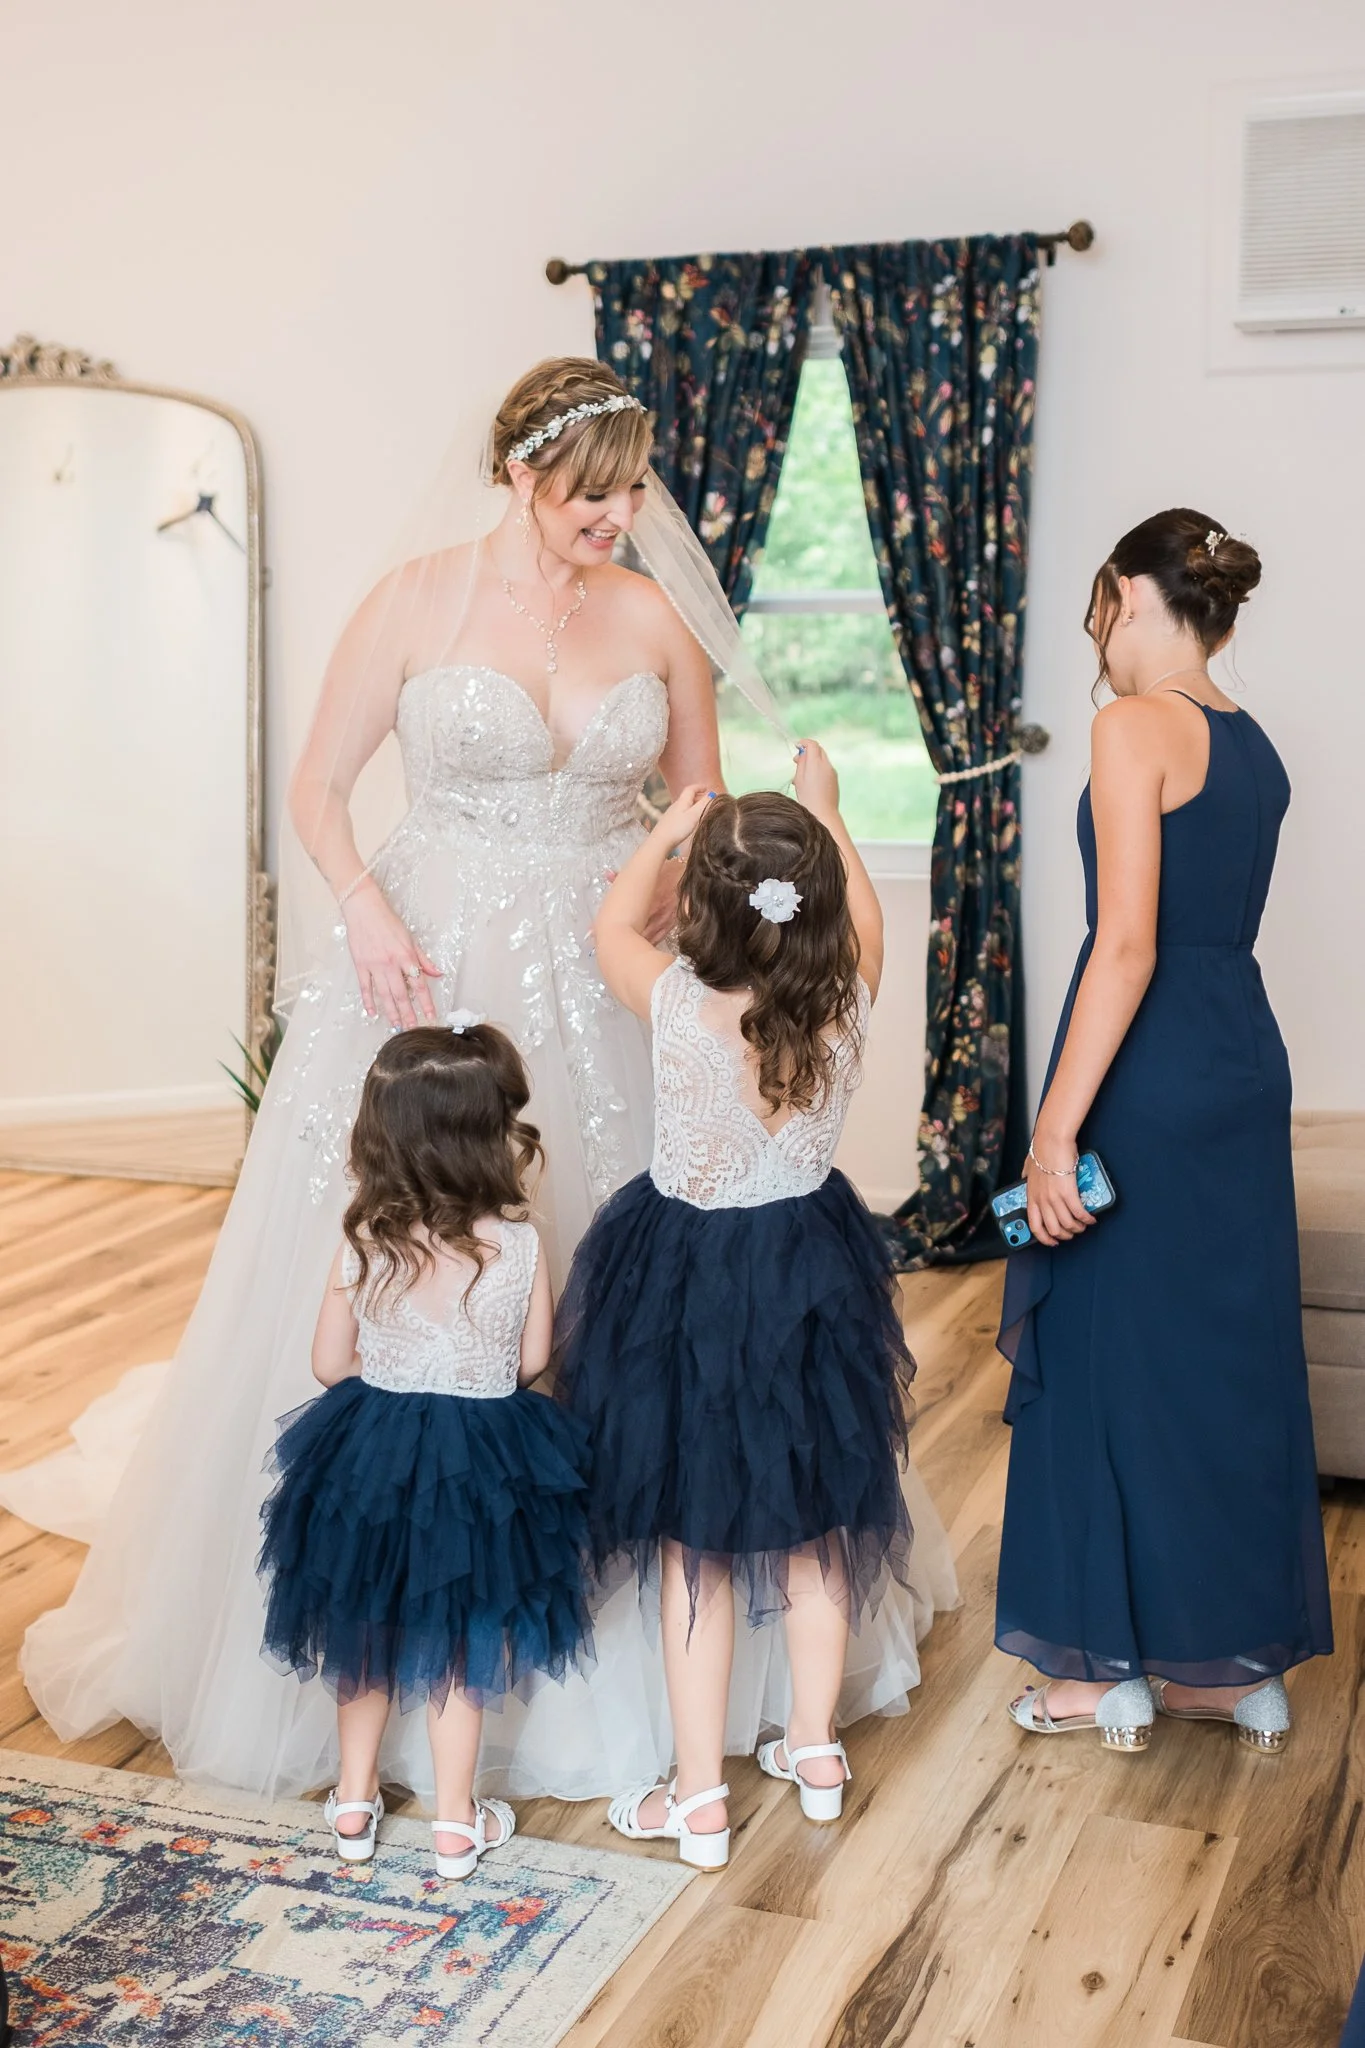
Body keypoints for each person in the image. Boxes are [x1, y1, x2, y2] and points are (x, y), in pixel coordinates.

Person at [16, 357, 725, 1796]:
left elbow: (702, 803)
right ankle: (377, 1612)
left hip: (610, 971)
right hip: (429, 961)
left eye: (633, 489)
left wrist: (667, 908)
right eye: (593, 492)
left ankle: (595, 1621)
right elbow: (319, 791)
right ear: (521, 472)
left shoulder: (654, 615)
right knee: (396, 1260)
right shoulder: (414, 599)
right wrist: (365, 909)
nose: (619, 515)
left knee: (596, 1276)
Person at [555, 752, 949, 1867]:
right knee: (817, 1526)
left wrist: (668, 829)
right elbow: (871, 923)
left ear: (700, 907)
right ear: (813, 901)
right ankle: (815, 1750)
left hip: (685, 1283)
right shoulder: (845, 1006)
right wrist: (829, 812)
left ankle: (698, 1800)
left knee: (698, 1548)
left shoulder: (678, 1004)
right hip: (810, 1273)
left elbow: (608, 926)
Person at [997, 508, 1332, 1752]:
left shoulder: (1133, 725)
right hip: (1239, 1056)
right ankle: (1232, 1666)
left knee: (1103, 1358)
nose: (1096, 629)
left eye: (1101, 604)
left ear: (1129, 593)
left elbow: (1127, 944)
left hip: (1146, 1067)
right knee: (1224, 1361)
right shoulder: (1254, 744)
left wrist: (1052, 1132)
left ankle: (1101, 1674)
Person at [258, 1020, 591, 1876]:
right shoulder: (519, 1243)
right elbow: (531, 1362)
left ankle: (354, 1803)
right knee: (462, 1639)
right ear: (489, 1134)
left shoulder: (364, 1239)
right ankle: (453, 1824)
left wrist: (393, 1376)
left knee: (362, 1628)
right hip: (484, 1460)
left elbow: (327, 1363)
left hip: (371, 1453)